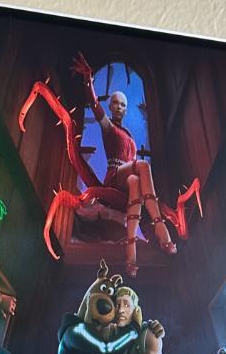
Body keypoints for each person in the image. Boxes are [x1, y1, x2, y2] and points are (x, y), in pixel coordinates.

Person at [71, 53, 177, 274]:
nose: (119, 107)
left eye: (123, 104)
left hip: (128, 181)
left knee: (135, 180)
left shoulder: (129, 135)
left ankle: (131, 251)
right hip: (114, 177)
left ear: (126, 109)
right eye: (115, 103)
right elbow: (94, 105)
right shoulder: (109, 127)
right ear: (110, 106)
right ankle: (160, 226)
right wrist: (88, 79)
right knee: (143, 166)